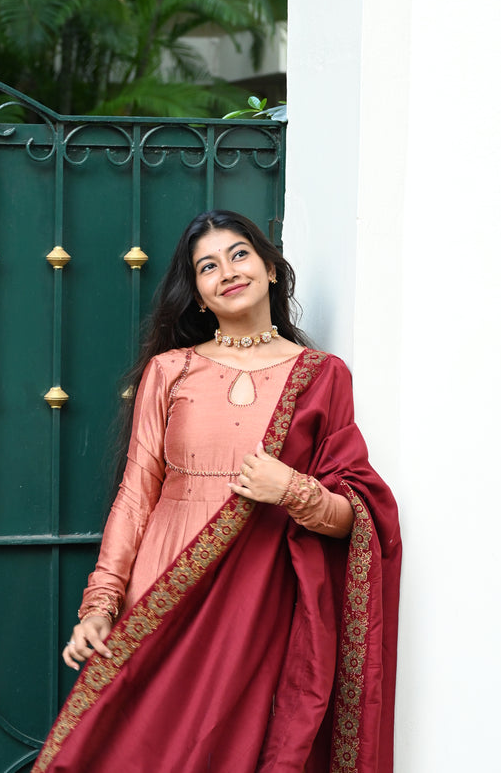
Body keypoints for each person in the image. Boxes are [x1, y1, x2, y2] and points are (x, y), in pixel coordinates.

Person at [32, 210, 401, 773]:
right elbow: (135, 497)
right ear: (198, 295)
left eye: (239, 254)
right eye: (208, 266)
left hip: (260, 605)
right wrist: (100, 605)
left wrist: (292, 489)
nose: (227, 271)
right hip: (163, 588)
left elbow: (356, 519)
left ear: (271, 269)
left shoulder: (323, 375)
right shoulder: (170, 371)